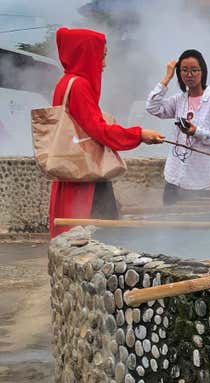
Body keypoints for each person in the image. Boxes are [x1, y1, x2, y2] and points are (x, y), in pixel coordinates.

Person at [48, 27, 164, 238]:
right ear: (86, 54)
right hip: (86, 174)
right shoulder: (80, 85)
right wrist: (139, 134)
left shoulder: (64, 82)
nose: (104, 64)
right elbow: (98, 130)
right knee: (101, 234)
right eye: (101, 57)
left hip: (72, 168)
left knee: (72, 234)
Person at [147, 49, 210, 205]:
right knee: (170, 223)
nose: (189, 75)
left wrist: (197, 132)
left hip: (206, 179)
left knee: (201, 226)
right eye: (184, 70)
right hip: (176, 176)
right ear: (179, 74)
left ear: (203, 72)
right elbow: (152, 107)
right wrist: (167, 77)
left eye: (194, 70)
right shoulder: (179, 100)